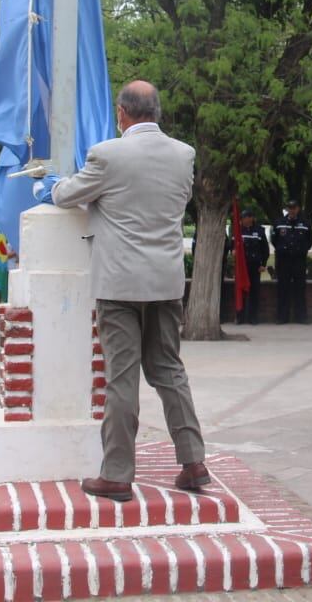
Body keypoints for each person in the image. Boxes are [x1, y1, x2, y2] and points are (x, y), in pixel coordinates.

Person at [33, 80, 209, 501]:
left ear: (121, 113)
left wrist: (47, 185)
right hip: (166, 282)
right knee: (169, 371)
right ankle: (193, 461)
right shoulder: (184, 155)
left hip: (119, 284)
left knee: (122, 379)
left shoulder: (107, 155)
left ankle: (116, 473)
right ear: (158, 112)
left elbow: (68, 195)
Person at [270, 200, 312, 324]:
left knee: (300, 289)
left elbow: (309, 241)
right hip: (284, 261)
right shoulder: (279, 223)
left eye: (294, 208)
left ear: (298, 209)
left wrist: (301, 250)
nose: (292, 210)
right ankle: (282, 317)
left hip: (299, 260)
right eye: (290, 208)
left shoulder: (305, 223)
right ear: (287, 209)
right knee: (283, 289)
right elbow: (275, 240)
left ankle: (301, 317)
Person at [229, 209, 268, 325]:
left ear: (251, 218)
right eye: (242, 217)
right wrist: (233, 251)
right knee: (241, 292)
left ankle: (253, 318)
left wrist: (263, 264)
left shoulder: (259, 231)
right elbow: (232, 246)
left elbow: (265, 250)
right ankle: (240, 317)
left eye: (245, 217)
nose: (243, 219)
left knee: (254, 292)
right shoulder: (238, 230)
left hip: (255, 266)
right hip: (242, 267)